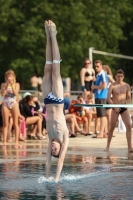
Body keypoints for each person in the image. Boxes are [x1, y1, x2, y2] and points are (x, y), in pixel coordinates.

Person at [42, 20, 69, 182]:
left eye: (51, 150)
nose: (52, 148)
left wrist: (46, 178)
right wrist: (56, 179)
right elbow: (59, 161)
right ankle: (54, 35)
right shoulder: (64, 136)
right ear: (59, 149)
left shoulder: (50, 138)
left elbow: (47, 162)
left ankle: (47, 36)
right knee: (55, 70)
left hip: (47, 99)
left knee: (47, 68)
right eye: (54, 150)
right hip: (58, 99)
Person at [104, 69, 133, 153]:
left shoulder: (126, 86)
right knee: (111, 128)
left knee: (128, 126)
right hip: (115, 107)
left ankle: (129, 147)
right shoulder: (112, 86)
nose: (119, 78)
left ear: (123, 77)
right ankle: (107, 146)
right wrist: (114, 106)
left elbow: (129, 97)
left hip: (124, 107)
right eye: (118, 76)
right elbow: (108, 98)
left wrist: (127, 104)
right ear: (115, 76)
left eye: (121, 76)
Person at [1, 70, 20, 147]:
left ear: (13, 77)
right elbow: (3, 94)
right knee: (5, 123)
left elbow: (16, 93)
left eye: (11, 75)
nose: (9, 77)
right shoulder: (3, 84)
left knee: (15, 123)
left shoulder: (17, 84)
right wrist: (6, 86)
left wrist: (12, 85)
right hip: (6, 102)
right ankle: (4, 141)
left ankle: (16, 141)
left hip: (14, 102)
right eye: (8, 76)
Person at [91, 60, 108, 138]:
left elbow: (104, 86)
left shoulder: (103, 74)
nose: (96, 68)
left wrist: (95, 87)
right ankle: (103, 133)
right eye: (95, 66)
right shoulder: (98, 75)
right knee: (101, 115)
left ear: (101, 66)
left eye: (98, 66)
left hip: (102, 96)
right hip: (98, 96)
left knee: (102, 115)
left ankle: (101, 133)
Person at [103, 65, 115, 134]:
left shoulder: (108, 76)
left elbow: (114, 83)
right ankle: (106, 130)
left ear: (107, 70)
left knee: (108, 114)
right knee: (106, 114)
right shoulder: (103, 76)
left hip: (108, 97)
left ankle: (110, 130)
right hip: (105, 96)